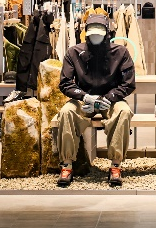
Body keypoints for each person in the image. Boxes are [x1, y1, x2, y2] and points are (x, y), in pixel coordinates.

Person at [57, 13, 135, 187]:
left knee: (123, 111)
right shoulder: (74, 52)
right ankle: (67, 165)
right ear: (86, 33)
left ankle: (116, 165)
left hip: (111, 100)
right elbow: (65, 82)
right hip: (83, 99)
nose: (95, 38)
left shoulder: (120, 52)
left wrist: (110, 97)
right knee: (66, 112)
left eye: (99, 34)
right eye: (92, 34)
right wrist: (84, 96)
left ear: (107, 33)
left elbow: (128, 83)